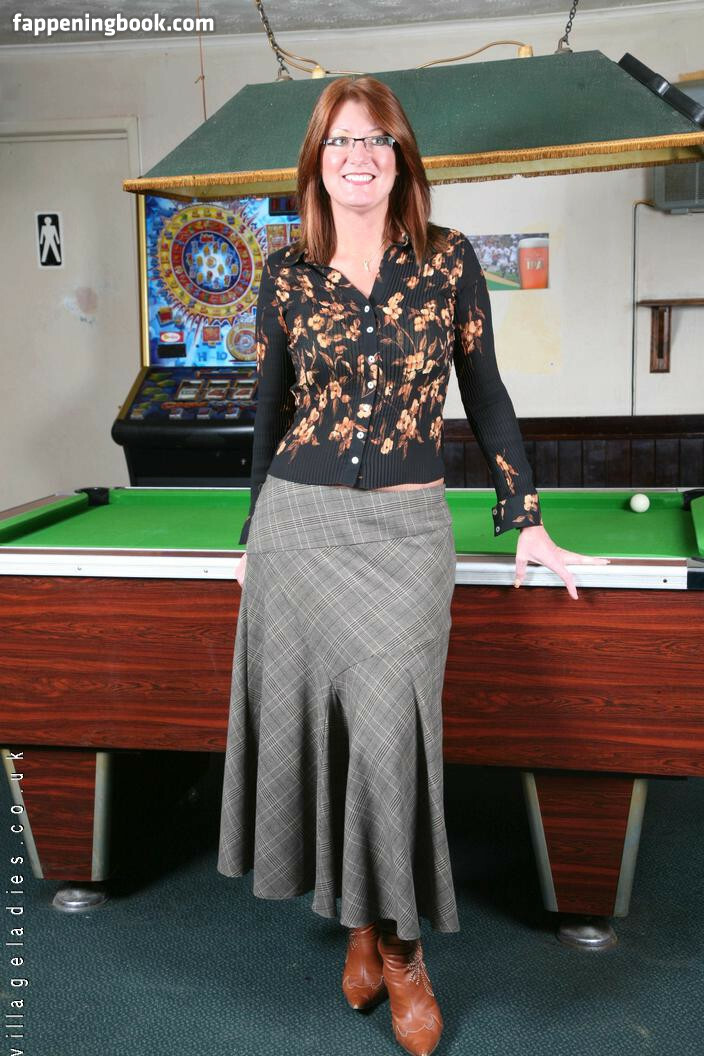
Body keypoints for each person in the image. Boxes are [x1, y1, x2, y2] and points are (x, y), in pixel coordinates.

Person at [217, 75, 606, 1056]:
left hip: (405, 538)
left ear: (400, 158)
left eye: (377, 140)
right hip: (298, 530)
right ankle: (371, 931)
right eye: (341, 141)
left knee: (389, 737)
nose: (359, 157)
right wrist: (252, 532)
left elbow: (487, 392)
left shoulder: (447, 260)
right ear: (317, 161)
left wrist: (525, 516)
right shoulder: (284, 274)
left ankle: (399, 951)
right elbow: (268, 411)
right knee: (337, 747)